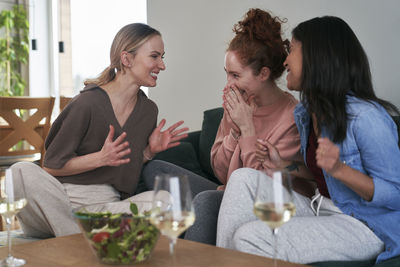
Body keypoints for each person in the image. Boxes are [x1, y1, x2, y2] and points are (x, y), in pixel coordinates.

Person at [217, 16, 400, 264]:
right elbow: (320, 175)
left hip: (364, 225)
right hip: (319, 207)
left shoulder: (367, 117)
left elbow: (395, 193)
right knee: (243, 179)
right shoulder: (306, 113)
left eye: (292, 50)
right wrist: (283, 165)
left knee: (250, 237)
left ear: (317, 59)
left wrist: (339, 170)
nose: (285, 60)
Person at [10, 23, 189, 238]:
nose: (162, 65)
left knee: (165, 201)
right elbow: (51, 167)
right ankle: (78, 236)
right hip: (56, 204)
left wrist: (149, 152)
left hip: (104, 209)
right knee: (19, 171)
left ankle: (77, 235)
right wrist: (99, 158)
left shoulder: (148, 110)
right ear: (127, 59)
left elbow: (124, 169)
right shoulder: (88, 103)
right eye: (154, 56)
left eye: (162, 57)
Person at [182, 8, 302, 244]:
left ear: (263, 74)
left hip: (268, 204)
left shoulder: (292, 116)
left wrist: (247, 129)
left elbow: (259, 189)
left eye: (235, 76)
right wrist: (234, 133)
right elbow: (218, 170)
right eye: (226, 74)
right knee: (158, 170)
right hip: (229, 191)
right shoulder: (237, 105)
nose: (228, 85)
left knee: (205, 202)